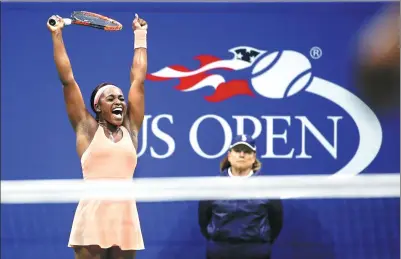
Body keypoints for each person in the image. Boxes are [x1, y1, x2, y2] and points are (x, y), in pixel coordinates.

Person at [47, 13, 148, 259]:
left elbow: (138, 80)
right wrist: (57, 35)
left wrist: (140, 35)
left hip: (125, 214)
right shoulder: (86, 128)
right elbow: (67, 81)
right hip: (93, 213)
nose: (119, 101)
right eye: (111, 98)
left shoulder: (130, 128)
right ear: (98, 106)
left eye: (121, 98)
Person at [198, 135, 283, 259]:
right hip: (220, 251)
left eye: (247, 151)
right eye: (237, 150)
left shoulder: (267, 186)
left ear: (253, 157)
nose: (241, 155)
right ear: (229, 155)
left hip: (256, 251)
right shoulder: (213, 185)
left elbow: (276, 221)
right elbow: (203, 219)